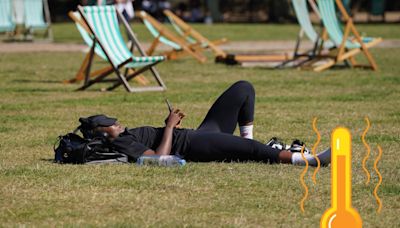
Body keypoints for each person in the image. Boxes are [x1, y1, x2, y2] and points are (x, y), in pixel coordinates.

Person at [79, 81, 331, 166]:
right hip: (193, 145)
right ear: (103, 134)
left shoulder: (120, 135)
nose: (118, 124)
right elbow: (157, 159)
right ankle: (308, 161)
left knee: (243, 89)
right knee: (255, 153)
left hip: (198, 134)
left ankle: (243, 142)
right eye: (112, 124)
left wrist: (171, 128)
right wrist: (168, 126)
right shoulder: (120, 141)